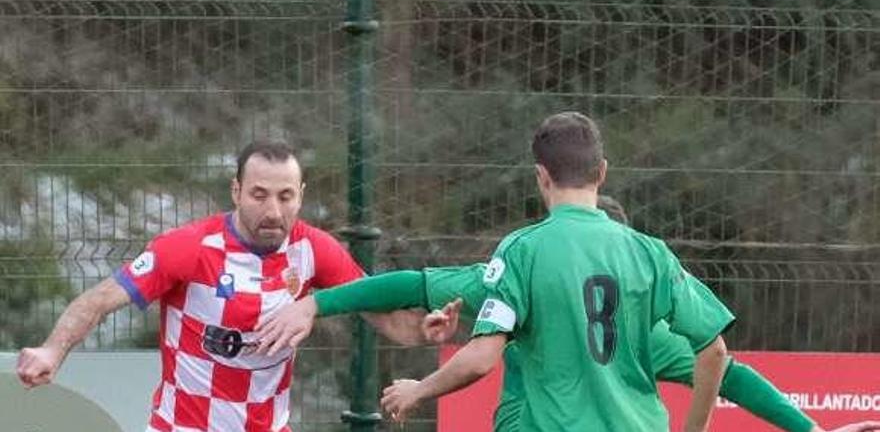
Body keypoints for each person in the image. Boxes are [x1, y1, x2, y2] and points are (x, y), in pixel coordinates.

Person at [261, 112, 732, 431]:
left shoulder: (523, 253)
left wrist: (419, 389)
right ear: (602, 172)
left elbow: (482, 357)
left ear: (541, 177)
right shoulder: (651, 254)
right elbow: (714, 352)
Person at [258, 194, 880, 432]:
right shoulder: (647, 319)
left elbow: (412, 284)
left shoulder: (518, 270)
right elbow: (727, 368)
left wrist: (321, 300)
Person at [16, 140, 430, 432]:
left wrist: (424, 329)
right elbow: (100, 299)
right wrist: (53, 348)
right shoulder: (191, 248)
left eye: (285, 196)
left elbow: (388, 320)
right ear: (236, 191)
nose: (273, 210)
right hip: (183, 426)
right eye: (259, 194)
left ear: (301, 196)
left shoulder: (314, 250)